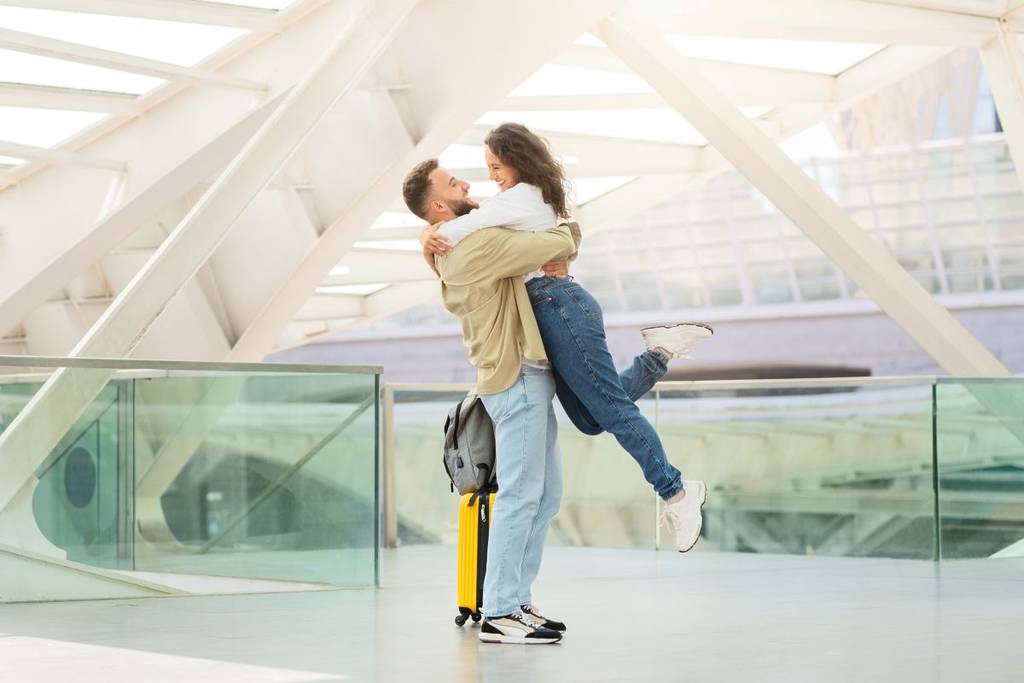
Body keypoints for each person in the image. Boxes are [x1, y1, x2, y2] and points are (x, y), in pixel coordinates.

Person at [417, 123, 711, 553]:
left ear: (516, 160)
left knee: (611, 410)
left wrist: (430, 236)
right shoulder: (522, 198)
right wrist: (429, 233)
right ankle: (659, 351)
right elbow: (539, 230)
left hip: (559, 305)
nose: (491, 176)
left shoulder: (519, 198)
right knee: (591, 419)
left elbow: (472, 227)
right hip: (553, 310)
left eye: (496, 166)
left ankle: (678, 492)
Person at [402, 160, 577, 645]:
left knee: (546, 495)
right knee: (522, 494)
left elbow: (539, 237)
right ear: (438, 205)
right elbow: (552, 241)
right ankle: (499, 610)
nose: (468, 184)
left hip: (528, 371)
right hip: (513, 373)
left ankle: (516, 600)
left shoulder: (462, 235)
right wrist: (568, 233)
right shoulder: (468, 243)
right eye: (453, 183)